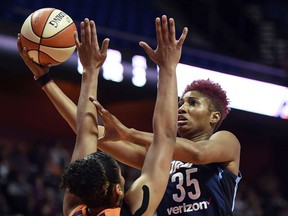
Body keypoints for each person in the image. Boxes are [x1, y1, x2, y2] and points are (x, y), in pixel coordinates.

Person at [19, 14, 241, 215]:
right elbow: (88, 130)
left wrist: (129, 134)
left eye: (193, 103)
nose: (182, 108)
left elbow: (198, 155)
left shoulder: (225, 141)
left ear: (215, 117)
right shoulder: (160, 156)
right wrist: (45, 82)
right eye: (180, 102)